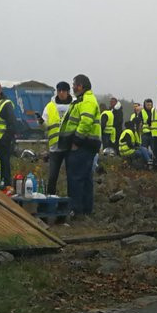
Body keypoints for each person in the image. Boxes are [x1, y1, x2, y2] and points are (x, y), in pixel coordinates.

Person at [58, 74, 101, 215]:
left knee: (75, 178)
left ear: (81, 86)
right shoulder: (82, 100)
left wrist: (76, 142)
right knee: (85, 178)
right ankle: (85, 209)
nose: (72, 87)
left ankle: (75, 209)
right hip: (86, 145)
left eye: (74, 84)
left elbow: (86, 122)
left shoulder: (87, 101)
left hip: (83, 146)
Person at [41, 81, 72, 195]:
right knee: (52, 176)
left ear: (68, 92)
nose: (61, 93)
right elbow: (45, 126)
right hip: (55, 147)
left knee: (71, 177)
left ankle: (70, 201)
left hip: (70, 146)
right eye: (59, 90)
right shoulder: (50, 106)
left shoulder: (74, 105)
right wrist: (41, 122)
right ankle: (51, 198)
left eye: (64, 91)